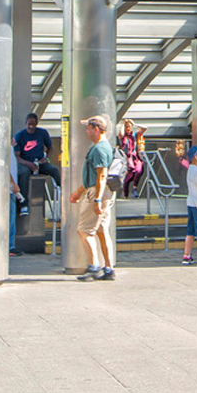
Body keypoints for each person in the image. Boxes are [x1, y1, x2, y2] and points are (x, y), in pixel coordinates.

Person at [71, 116, 118, 281]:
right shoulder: (106, 147)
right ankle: (109, 268)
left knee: (84, 230)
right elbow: (94, 176)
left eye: (88, 128)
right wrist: (78, 192)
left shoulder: (99, 149)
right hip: (103, 192)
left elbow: (101, 175)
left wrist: (97, 199)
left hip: (97, 193)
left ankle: (93, 267)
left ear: (96, 129)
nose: (86, 131)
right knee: (101, 230)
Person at [13, 112, 61, 213]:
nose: (31, 127)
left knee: (54, 170)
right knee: (24, 173)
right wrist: (28, 164)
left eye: (33, 124)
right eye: (29, 124)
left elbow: (50, 147)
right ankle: (23, 204)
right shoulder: (19, 136)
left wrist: (46, 158)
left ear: (37, 124)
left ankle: (62, 193)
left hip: (39, 162)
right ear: (26, 123)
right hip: (25, 163)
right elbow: (17, 156)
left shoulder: (42, 133)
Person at [119, 117, 148, 198]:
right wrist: (122, 124)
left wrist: (134, 124)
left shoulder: (134, 135)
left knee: (139, 170)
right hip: (126, 158)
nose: (128, 128)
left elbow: (145, 128)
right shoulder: (123, 136)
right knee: (127, 178)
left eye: (129, 126)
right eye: (126, 127)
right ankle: (126, 195)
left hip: (135, 157)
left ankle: (134, 188)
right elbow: (120, 133)